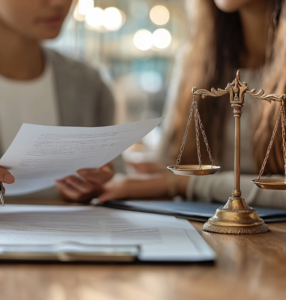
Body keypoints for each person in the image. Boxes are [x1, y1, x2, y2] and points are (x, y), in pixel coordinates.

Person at [99, 0, 286, 209]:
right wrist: (120, 175)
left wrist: (182, 183)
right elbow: (170, 163)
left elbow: (177, 181)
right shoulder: (196, 58)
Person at [0, 0, 115, 207]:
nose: (59, 2)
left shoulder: (87, 84)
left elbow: (116, 177)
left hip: (75, 235)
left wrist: (95, 188)